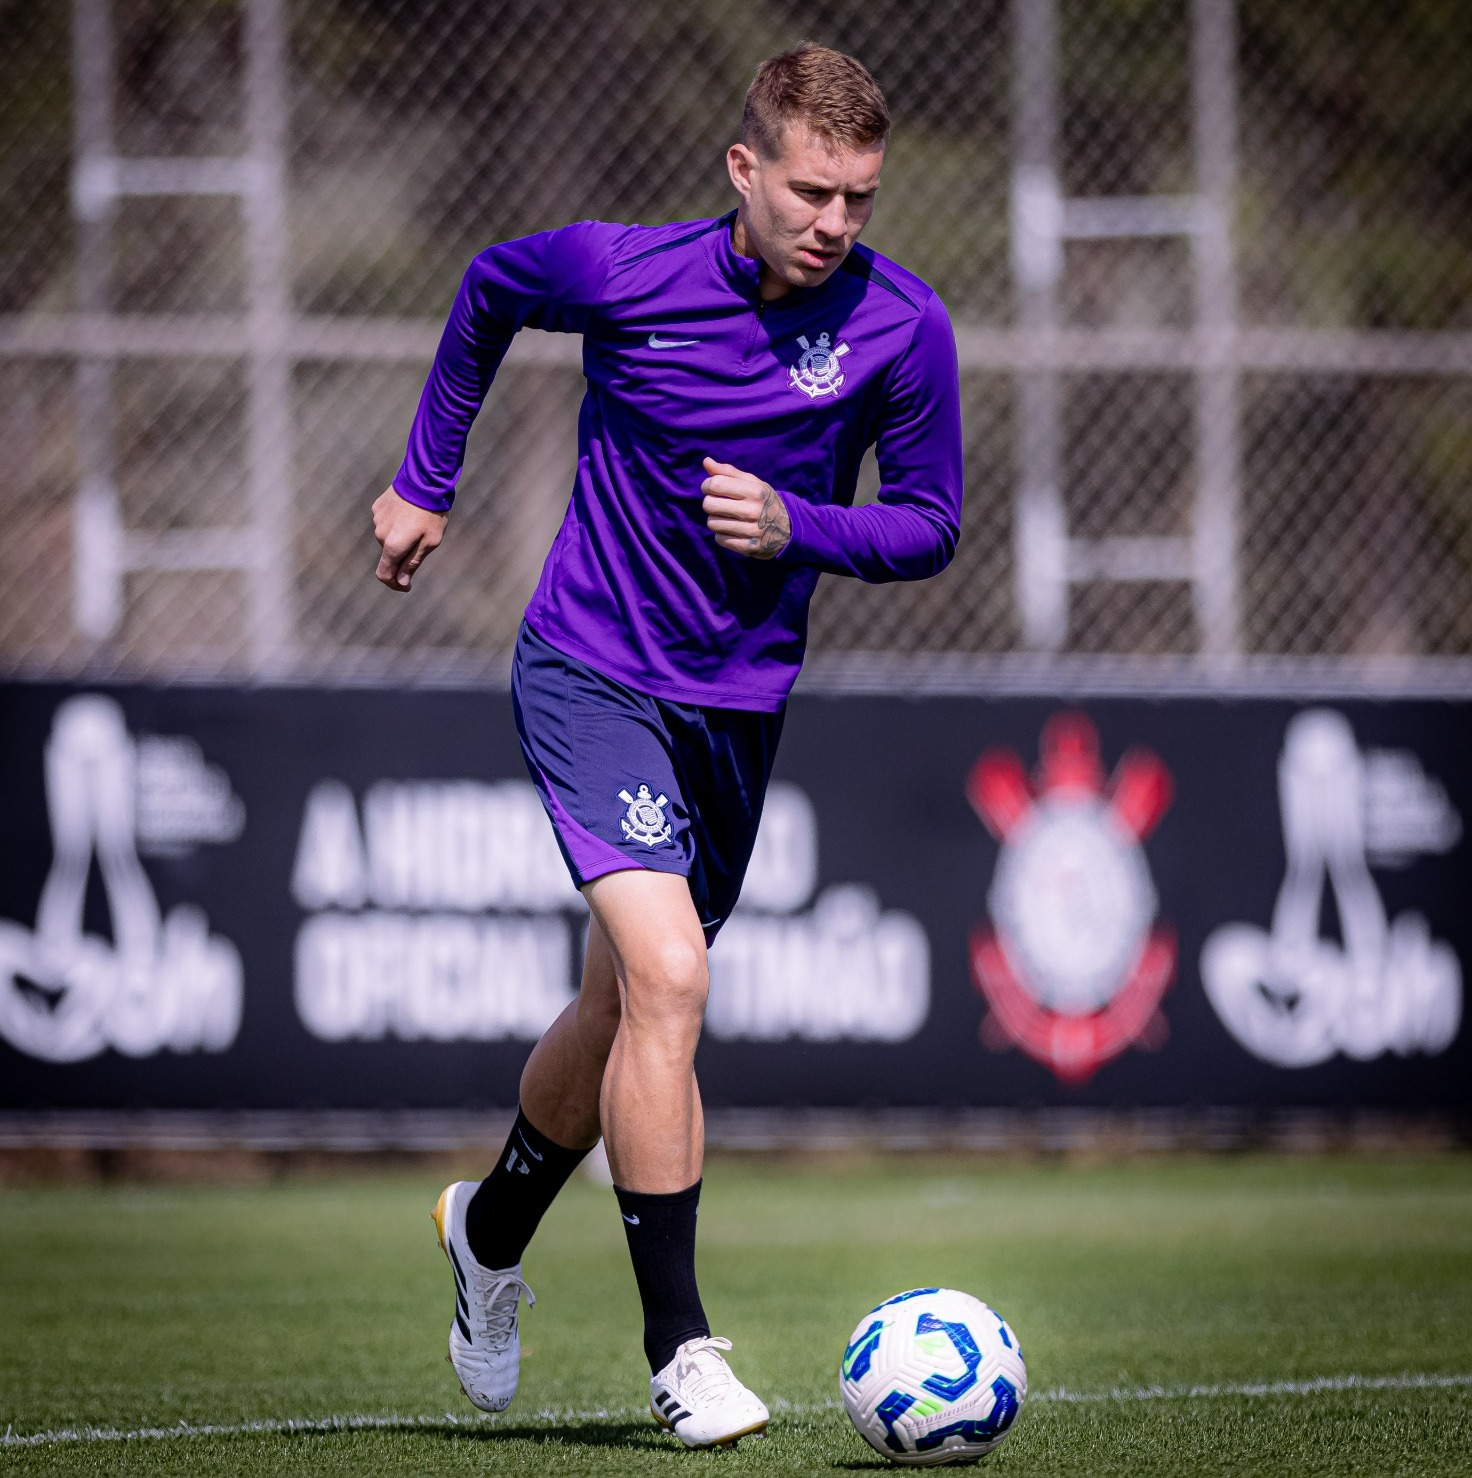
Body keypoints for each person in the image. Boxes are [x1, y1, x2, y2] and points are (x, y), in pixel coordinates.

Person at [371, 42, 962, 1450]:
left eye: (862, 199)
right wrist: (421, 479)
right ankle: (681, 1346)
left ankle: (488, 1229)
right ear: (744, 170)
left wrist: (799, 525)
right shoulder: (625, 272)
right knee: (672, 974)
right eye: (814, 190)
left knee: (620, 1013)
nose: (837, 222)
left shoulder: (903, 329)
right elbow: (487, 292)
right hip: (588, 670)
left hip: (736, 709)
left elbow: (929, 519)